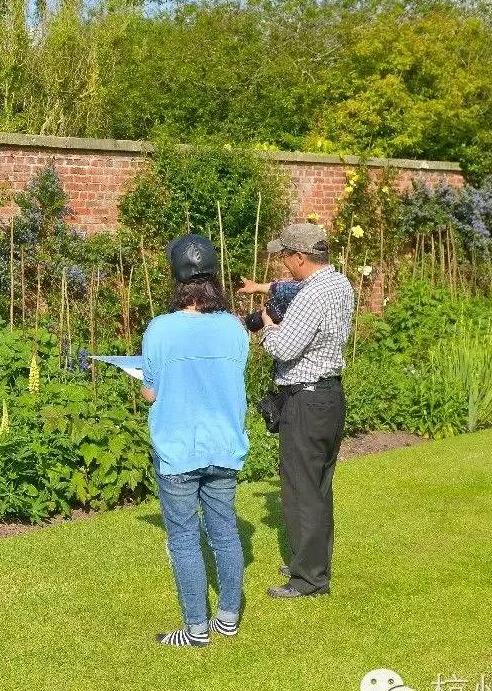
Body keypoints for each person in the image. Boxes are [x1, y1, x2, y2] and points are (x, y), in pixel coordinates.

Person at [141, 234, 250, 648]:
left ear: (176, 277)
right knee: (225, 533)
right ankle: (228, 617)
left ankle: (196, 628)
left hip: (177, 449)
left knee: (184, 538)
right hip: (224, 445)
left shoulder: (160, 329)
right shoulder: (234, 329)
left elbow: (151, 392)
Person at [240, 222, 354, 599]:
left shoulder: (310, 297)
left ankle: (308, 580)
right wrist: (265, 289)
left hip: (306, 401)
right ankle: (311, 562)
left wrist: (269, 326)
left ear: (300, 257)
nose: (284, 264)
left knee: (301, 490)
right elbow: (292, 291)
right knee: (318, 487)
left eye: (285, 257)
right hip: (329, 397)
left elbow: (284, 349)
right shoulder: (339, 284)